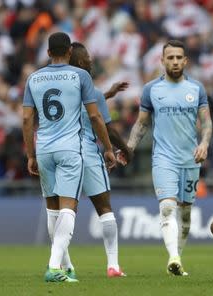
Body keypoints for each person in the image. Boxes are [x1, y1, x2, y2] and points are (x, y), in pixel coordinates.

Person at [22, 32, 116, 283]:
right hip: (70, 149)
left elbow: (27, 118)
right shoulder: (80, 76)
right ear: (69, 52)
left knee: (52, 210)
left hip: (44, 149)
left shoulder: (33, 78)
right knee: (68, 208)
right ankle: (54, 267)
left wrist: (30, 154)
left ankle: (66, 266)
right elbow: (95, 116)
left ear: (49, 52)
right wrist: (108, 147)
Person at [119, 40, 213, 276]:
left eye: (178, 57)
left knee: (186, 214)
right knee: (168, 207)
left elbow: (207, 123)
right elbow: (141, 124)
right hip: (163, 158)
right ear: (162, 61)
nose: (174, 61)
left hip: (190, 159)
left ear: (185, 60)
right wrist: (129, 148)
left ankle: (177, 261)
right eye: (169, 58)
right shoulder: (151, 89)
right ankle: (174, 256)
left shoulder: (196, 88)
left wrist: (204, 143)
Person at [49, 41, 130, 279]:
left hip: (62, 153)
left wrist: (109, 94)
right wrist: (122, 148)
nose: (92, 65)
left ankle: (64, 264)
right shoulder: (91, 90)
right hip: (88, 153)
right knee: (104, 209)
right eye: (90, 62)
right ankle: (113, 265)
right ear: (82, 63)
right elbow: (106, 127)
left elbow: (82, 105)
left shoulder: (62, 90)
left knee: (61, 211)